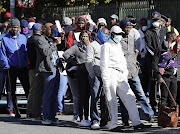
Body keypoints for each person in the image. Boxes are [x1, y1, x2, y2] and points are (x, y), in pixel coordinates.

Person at [100, 25, 151, 132]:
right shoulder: (106, 46)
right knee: (111, 99)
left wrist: (124, 74)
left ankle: (136, 122)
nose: (120, 36)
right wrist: (105, 78)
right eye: (118, 34)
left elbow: (122, 61)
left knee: (130, 97)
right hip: (110, 73)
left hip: (121, 75)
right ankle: (113, 124)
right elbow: (103, 63)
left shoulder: (118, 45)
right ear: (112, 34)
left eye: (121, 34)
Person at [119, 20, 154, 126]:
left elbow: (136, 49)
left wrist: (135, 59)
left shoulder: (132, 37)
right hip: (122, 72)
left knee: (140, 94)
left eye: (130, 28)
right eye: (127, 28)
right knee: (123, 97)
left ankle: (149, 115)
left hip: (133, 70)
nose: (129, 30)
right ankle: (125, 120)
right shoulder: (118, 40)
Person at [0, 18, 30, 118]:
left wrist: (27, 63)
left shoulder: (23, 38)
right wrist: (7, 65)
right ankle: (16, 111)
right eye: (13, 27)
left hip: (23, 67)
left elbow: (26, 51)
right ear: (10, 27)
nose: (15, 29)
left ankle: (29, 110)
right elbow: (3, 54)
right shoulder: (5, 39)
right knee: (12, 90)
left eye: (17, 27)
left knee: (27, 89)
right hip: (12, 67)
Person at [35, 22, 62, 125]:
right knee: (48, 94)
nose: (52, 30)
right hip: (48, 69)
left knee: (55, 93)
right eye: (50, 28)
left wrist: (60, 39)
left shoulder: (51, 39)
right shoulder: (40, 40)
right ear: (44, 29)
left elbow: (57, 50)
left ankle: (52, 116)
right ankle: (46, 117)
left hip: (56, 68)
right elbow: (46, 52)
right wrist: (54, 43)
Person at [63, 30, 91, 126]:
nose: (84, 38)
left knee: (89, 96)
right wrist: (75, 63)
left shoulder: (91, 46)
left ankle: (89, 116)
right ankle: (81, 116)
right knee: (81, 96)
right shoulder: (76, 47)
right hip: (81, 74)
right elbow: (65, 54)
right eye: (82, 36)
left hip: (90, 73)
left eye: (86, 36)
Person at [86, 27, 110, 129]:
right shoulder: (92, 46)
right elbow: (88, 61)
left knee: (105, 98)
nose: (107, 36)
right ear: (100, 33)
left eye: (108, 34)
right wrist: (92, 74)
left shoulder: (107, 45)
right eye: (105, 34)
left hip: (106, 76)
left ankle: (104, 120)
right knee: (95, 97)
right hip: (95, 75)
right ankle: (95, 119)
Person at [145, 11, 167, 113]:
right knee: (153, 82)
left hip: (164, 60)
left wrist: (164, 56)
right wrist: (155, 57)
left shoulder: (164, 31)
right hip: (152, 60)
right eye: (154, 20)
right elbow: (148, 47)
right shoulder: (148, 32)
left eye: (157, 20)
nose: (156, 22)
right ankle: (153, 105)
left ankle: (163, 104)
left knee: (164, 81)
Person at [152, 32, 178, 108]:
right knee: (164, 97)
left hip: (174, 76)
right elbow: (154, 63)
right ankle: (163, 115)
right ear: (170, 37)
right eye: (174, 36)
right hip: (164, 76)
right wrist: (158, 76)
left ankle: (172, 116)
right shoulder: (160, 48)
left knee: (173, 97)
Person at [26, 23, 44, 120]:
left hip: (31, 67)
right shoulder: (39, 40)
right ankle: (35, 113)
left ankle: (29, 112)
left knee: (32, 91)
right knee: (37, 91)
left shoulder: (30, 39)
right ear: (41, 30)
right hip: (37, 68)